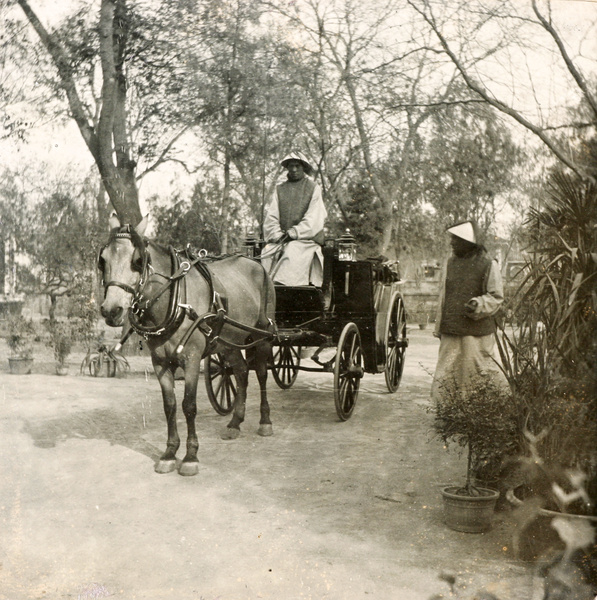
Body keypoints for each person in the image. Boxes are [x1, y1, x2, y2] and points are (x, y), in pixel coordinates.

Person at [431, 220, 508, 402]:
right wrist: (439, 326)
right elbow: (444, 296)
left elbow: (496, 296)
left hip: (476, 334)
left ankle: (478, 414)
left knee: (476, 372)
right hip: (451, 330)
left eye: (455, 240)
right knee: (447, 373)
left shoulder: (488, 264)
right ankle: (447, 413)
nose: (451, 243)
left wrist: (478, 304)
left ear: (467, 242)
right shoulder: (450, 263)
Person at [261, 151, 327, 287]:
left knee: (292, 251)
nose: (294, 169)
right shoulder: (280, 189)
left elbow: (314, 218)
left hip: (305, 240)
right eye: (291, 166)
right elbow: (271, 216)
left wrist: (294, 233)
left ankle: (289, 290)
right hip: (281, 240)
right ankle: (268, 291)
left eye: (297, 166)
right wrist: (277, 234)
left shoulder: (313, 188)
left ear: (303, 167)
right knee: (268, 251)